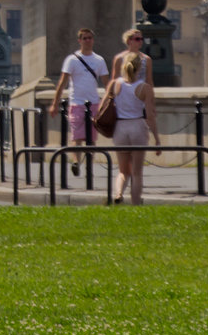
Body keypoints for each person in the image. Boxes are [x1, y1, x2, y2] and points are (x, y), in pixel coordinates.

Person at [105, 50, 160, 205]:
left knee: (123, 171)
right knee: (136, 172)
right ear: (139, 68)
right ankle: (135, 203)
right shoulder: (144, 88)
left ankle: (118, 193)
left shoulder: (115, 84)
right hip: (137, 125)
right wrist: (156, 138)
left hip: (120, 127)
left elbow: (104, 106)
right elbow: (150, 116)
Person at [49, 28, 108, 173]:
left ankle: (89, 164)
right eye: (85, 38)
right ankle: (76, 162)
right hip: (76, 102)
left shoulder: (99, 60)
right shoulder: (72, 60)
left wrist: (111, 102)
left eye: (90, 38)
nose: (87, 41)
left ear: (93, 40)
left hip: (94, 102)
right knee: (76, 137)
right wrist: (55, 104)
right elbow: (62, 82)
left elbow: (107, 83)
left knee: (92, 138)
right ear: (79, 41)